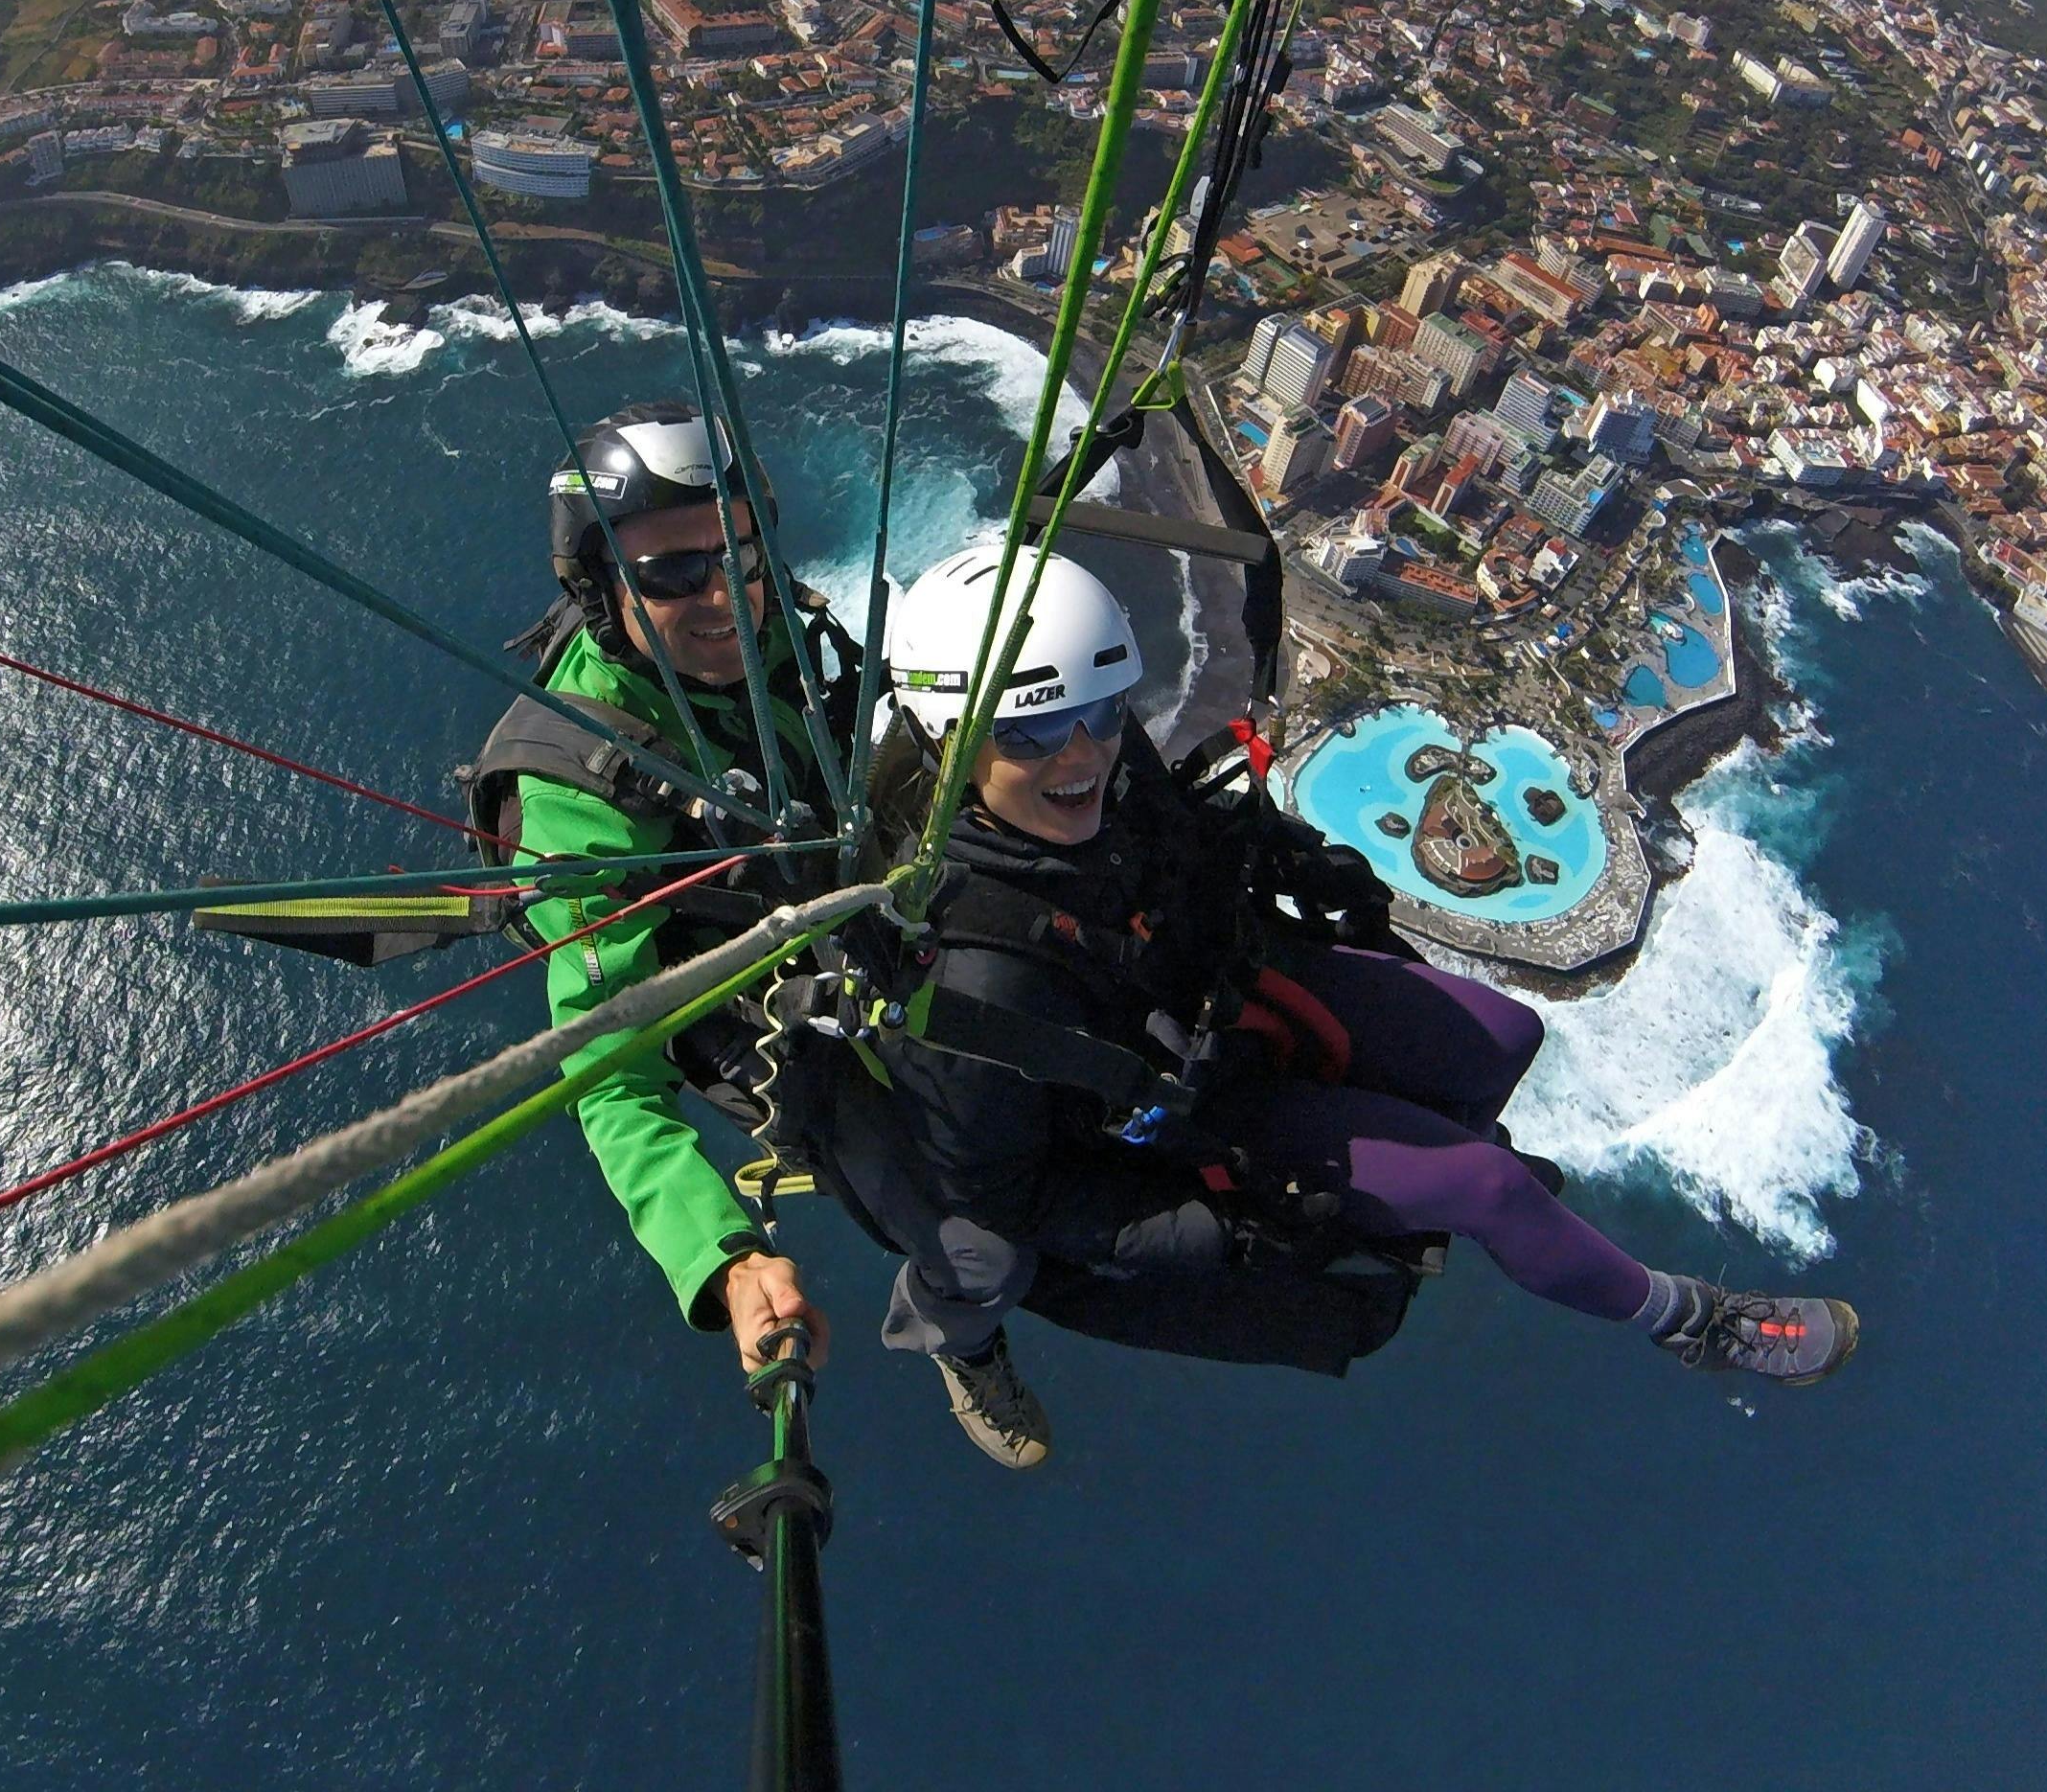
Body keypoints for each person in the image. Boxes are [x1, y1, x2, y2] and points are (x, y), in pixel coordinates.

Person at [848, 543, 1860, 1467]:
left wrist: (1289, 854)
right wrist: (1189, 1229)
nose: (1083, 756)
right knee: (1487, 1190)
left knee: (1510, 1031)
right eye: (1035, 730)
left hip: (1211, 990)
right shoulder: (978, 979)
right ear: (954, 738)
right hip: (1163, 1105)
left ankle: (1422, 1166)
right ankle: (1695, 1322)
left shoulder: (1101, 772)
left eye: (1103, 712)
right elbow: (1003, 1194)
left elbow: (1179, 835)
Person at [476, 403, 856, 1374]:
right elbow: (608, 1068)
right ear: (603, 591)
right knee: (916, 1166)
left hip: (816, 874)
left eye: (740, 556)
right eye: (677, 576)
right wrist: (724, 1260)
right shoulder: (576, 797)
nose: (725, 595)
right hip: (720, 978)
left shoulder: (755, 633)